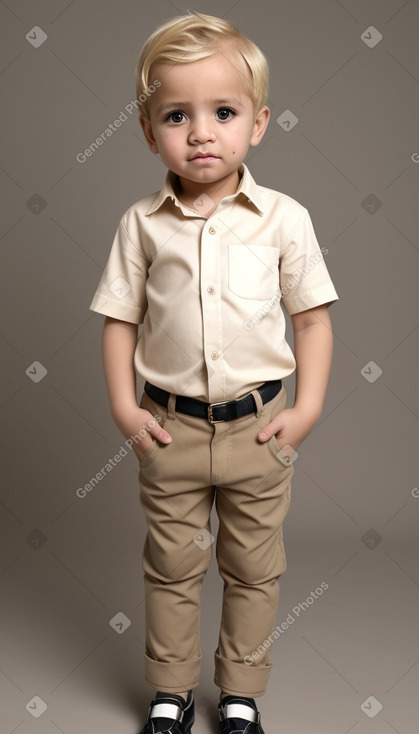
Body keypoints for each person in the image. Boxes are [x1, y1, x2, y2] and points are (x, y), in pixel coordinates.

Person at [90, 10, 339, 734]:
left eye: (222, 112)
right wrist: (124, 411)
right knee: (170, 567)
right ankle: (171, 693)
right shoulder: (141, 224)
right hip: (166, 426)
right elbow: (120, 321)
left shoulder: (284, 220)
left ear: (257, 123)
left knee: (254, 568)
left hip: (260, 428)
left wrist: (309, 407)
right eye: (176, 114)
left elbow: (312, 320)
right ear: (148, 131)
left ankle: (239, 694)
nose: (201, 132)